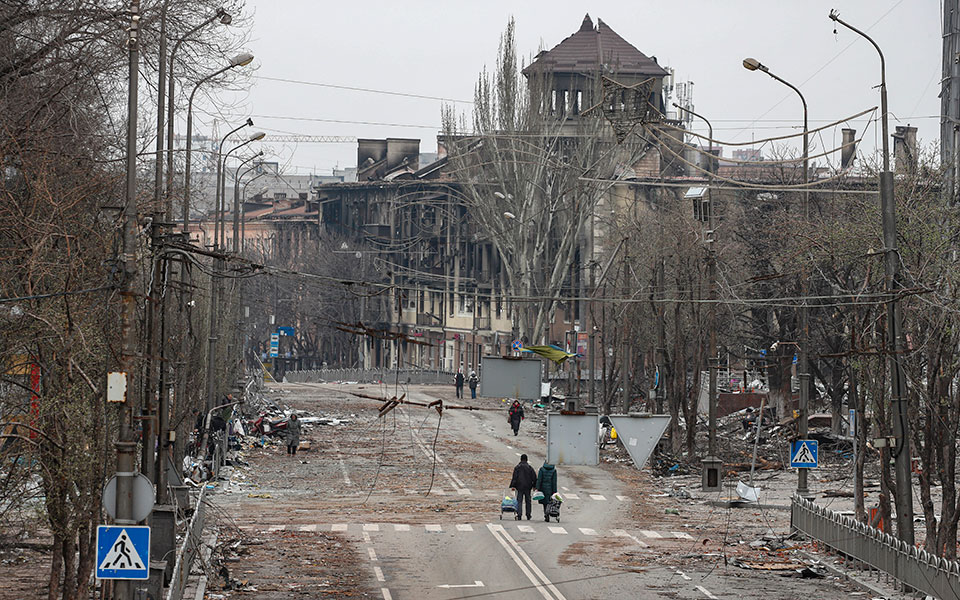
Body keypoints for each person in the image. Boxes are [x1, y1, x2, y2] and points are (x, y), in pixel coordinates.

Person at [509, 454, 538, 520]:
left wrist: (513, 485)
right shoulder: (530, 468)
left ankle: (519, 514)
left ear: (520, 459)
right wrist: (534, 486)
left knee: (519, 500)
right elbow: (534, 477)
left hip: (519, 486)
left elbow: (514, 477)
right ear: (527, 459)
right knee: (528, 501)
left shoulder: (517, 467)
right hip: (528, 486)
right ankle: (528, 515)